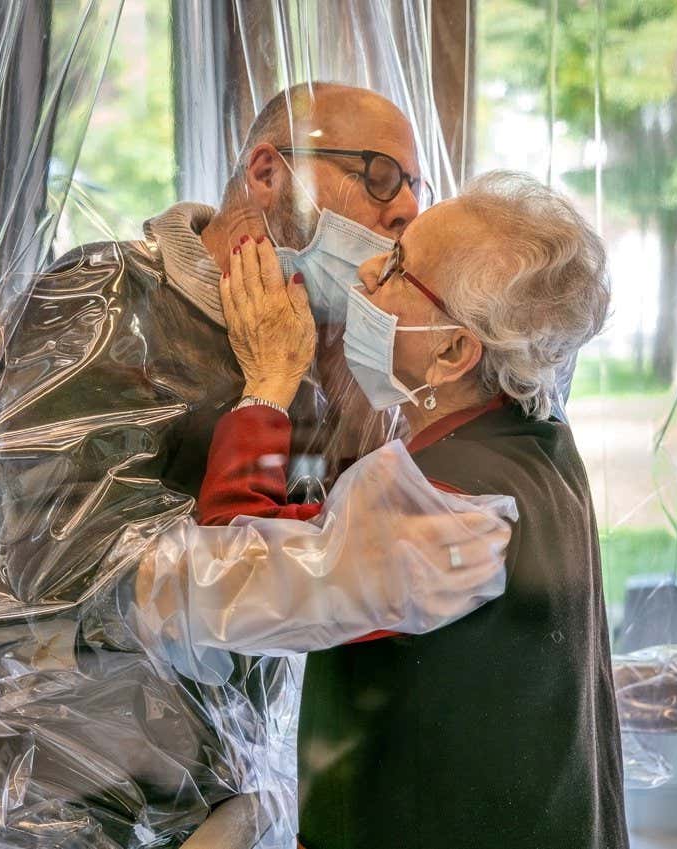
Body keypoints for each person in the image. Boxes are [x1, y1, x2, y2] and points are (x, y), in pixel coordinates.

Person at [0, 83, 512, 847]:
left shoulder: (313, 348)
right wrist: (268, 393)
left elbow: (315, 548)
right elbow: (70, 568)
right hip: (39, 786)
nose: (404, 213)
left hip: (199, 789)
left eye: (415, 191)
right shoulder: (101, 299)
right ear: (267, 172)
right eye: (380, 176)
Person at [198, 170, 629, 849]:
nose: (368, 263)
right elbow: (349, 549)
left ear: (454, 350)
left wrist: (266, 388)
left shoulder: (452, 505)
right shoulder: (531, 437)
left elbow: (227, 584)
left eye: (398, 266)